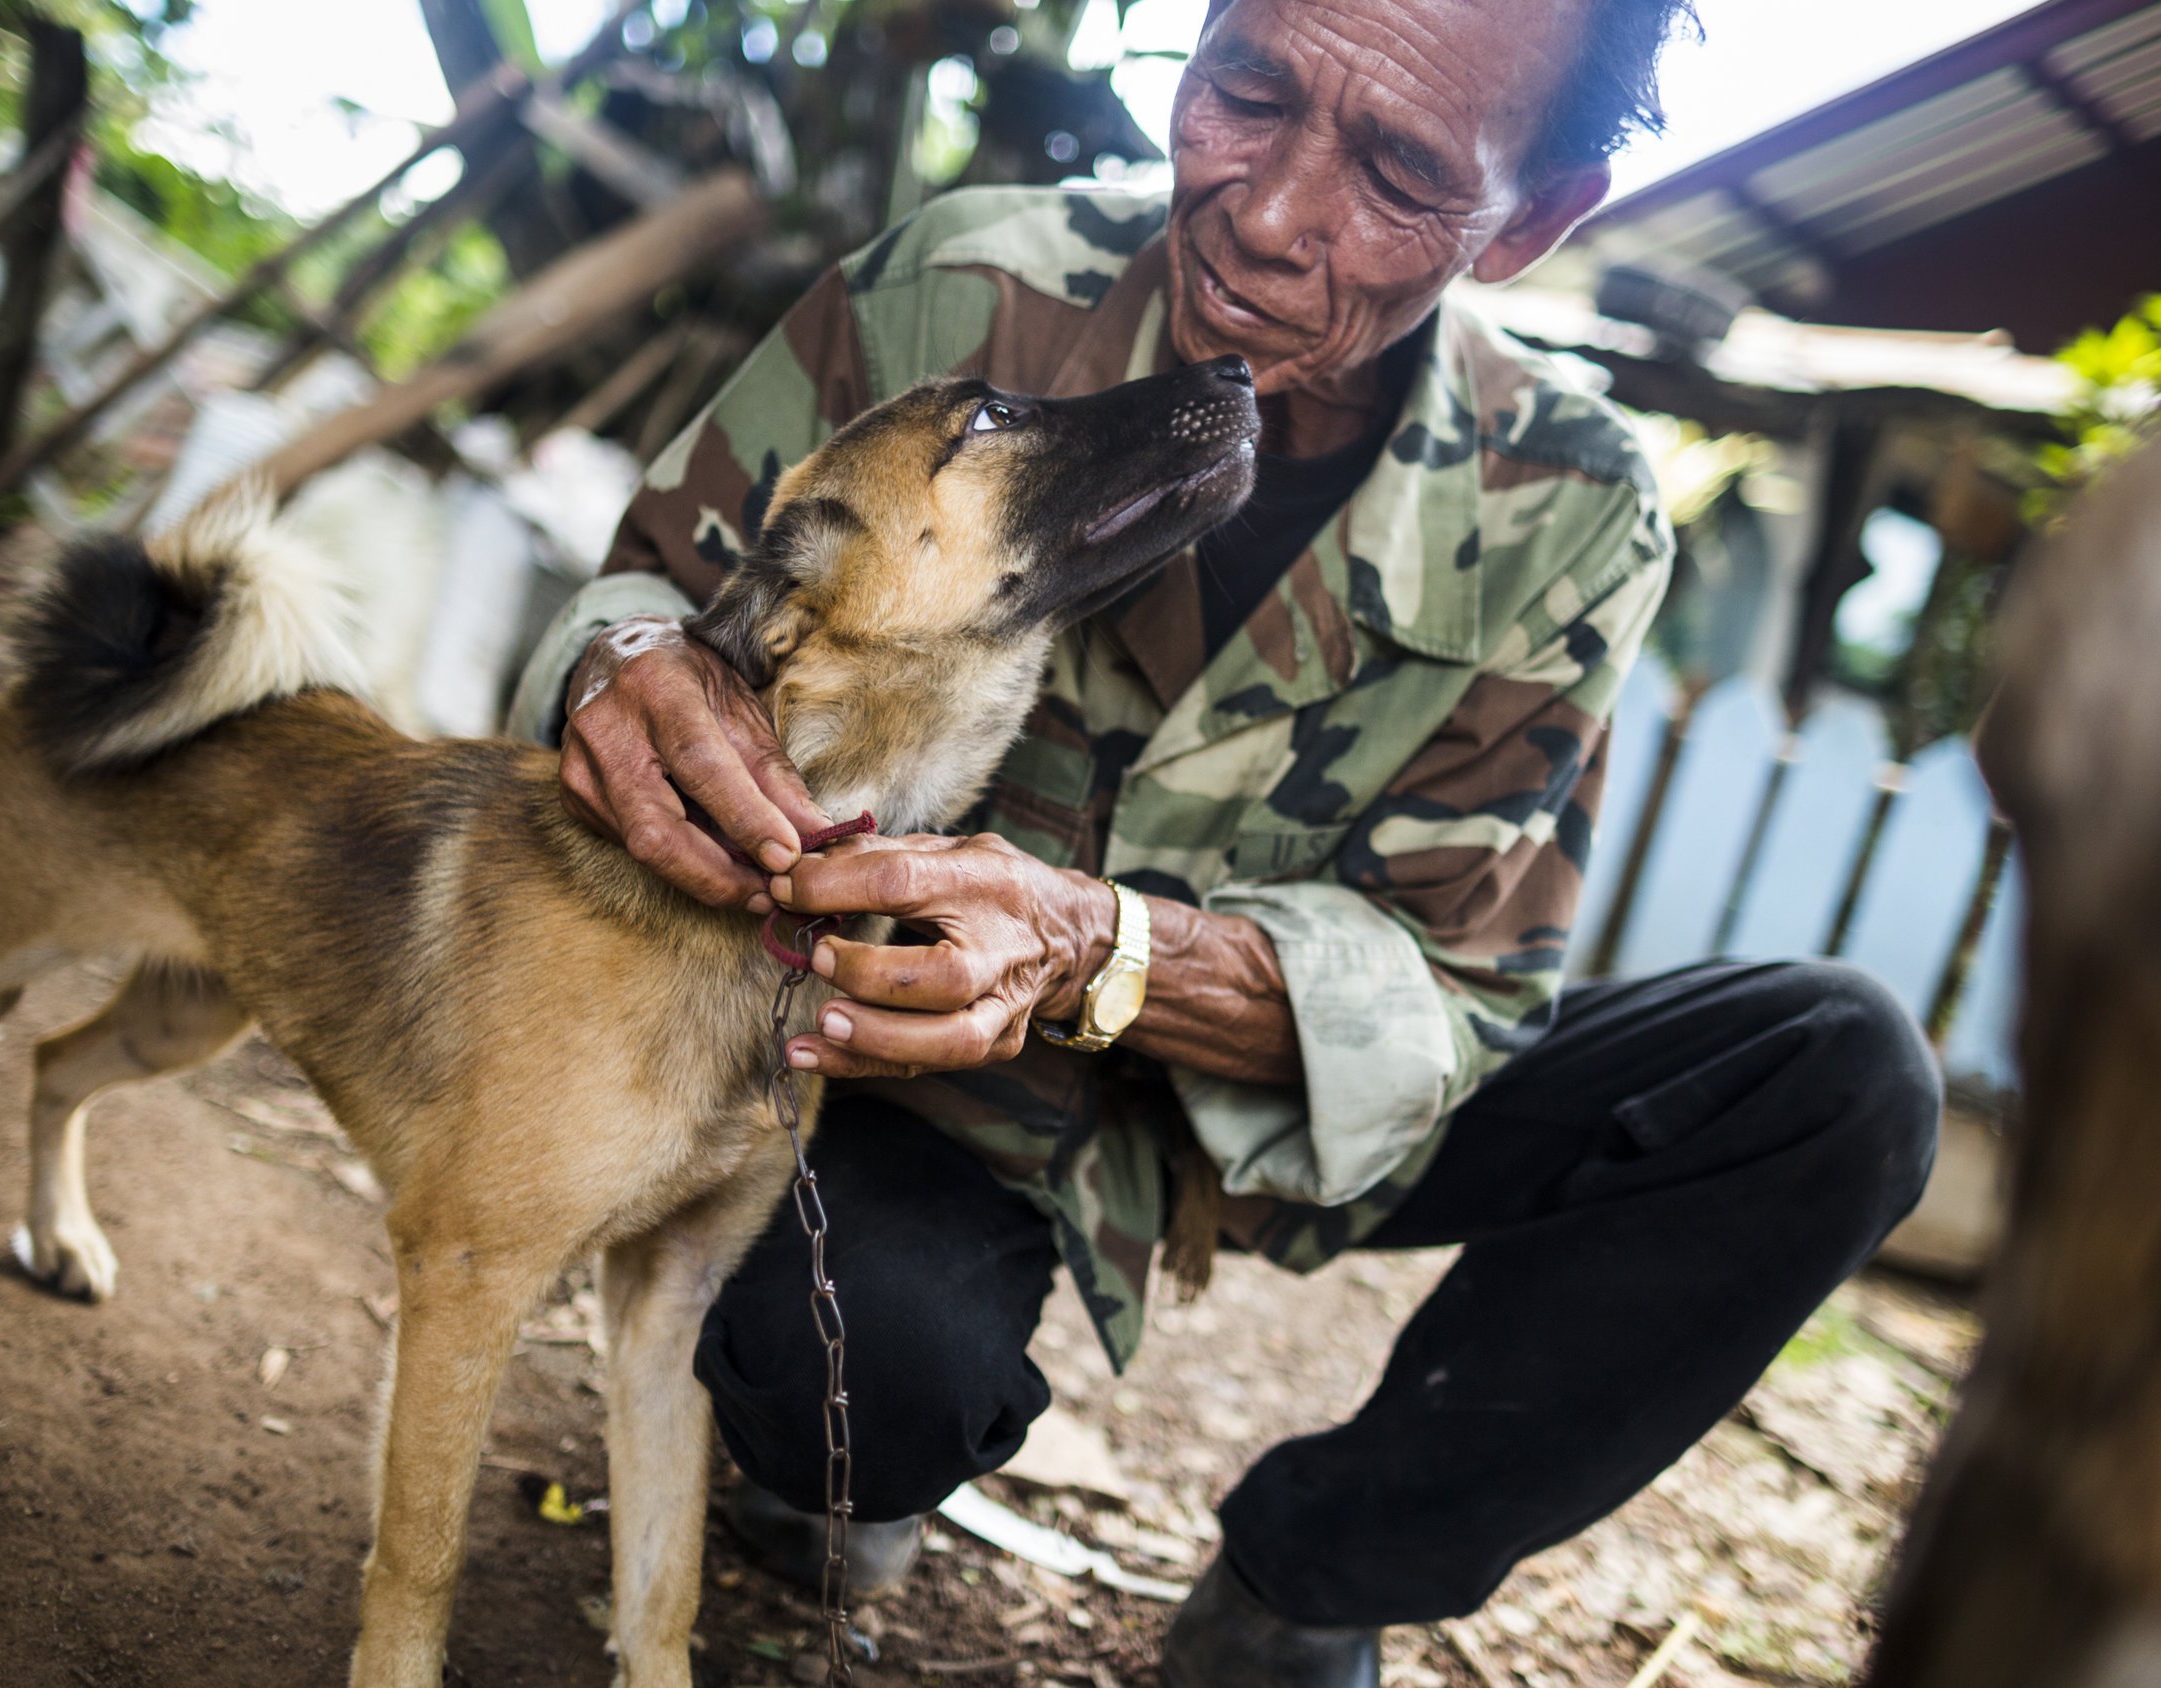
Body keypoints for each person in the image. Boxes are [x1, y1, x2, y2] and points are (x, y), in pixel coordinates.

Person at [508, 0, 1941, 1680]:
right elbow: (658, 586)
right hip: (912, 1084)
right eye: (1248, 89)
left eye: (1398, 171)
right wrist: (619, 666)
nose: (1265, 213)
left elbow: (1458, 990)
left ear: (1532, 219)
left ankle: (1321, 1579)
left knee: (1838, 1076)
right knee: (854, 1375)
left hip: (1273, 1091)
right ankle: (848, 1449)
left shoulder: (1571, 506)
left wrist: (1105, 947)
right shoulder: (962, 290)